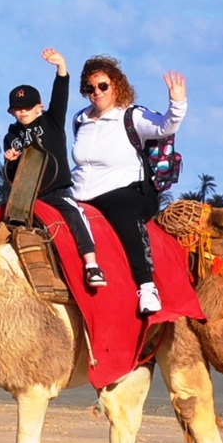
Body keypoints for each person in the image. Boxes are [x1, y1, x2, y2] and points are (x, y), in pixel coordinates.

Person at [70, 55, 186, 315]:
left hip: (125, 191)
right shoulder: (80, 120)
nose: (96, 92)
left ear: (116, 86)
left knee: (123, 214)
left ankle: (146, 286)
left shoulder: (132, 116)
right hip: (81, 194)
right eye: (90, 88)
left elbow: (166, 126)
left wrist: (177, 102)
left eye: (102, 86)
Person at [1, 48, 104, 287]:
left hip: (55, 192)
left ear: (40, 107)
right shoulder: (11, 136)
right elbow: (12, 175)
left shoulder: (52, 120)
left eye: (27, 107)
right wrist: (11, 159)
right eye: (17, 108)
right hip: (25, 198)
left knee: (74, 214)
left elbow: (60, 95)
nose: (22, 111)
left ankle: (91, 265)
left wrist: (61, 67)